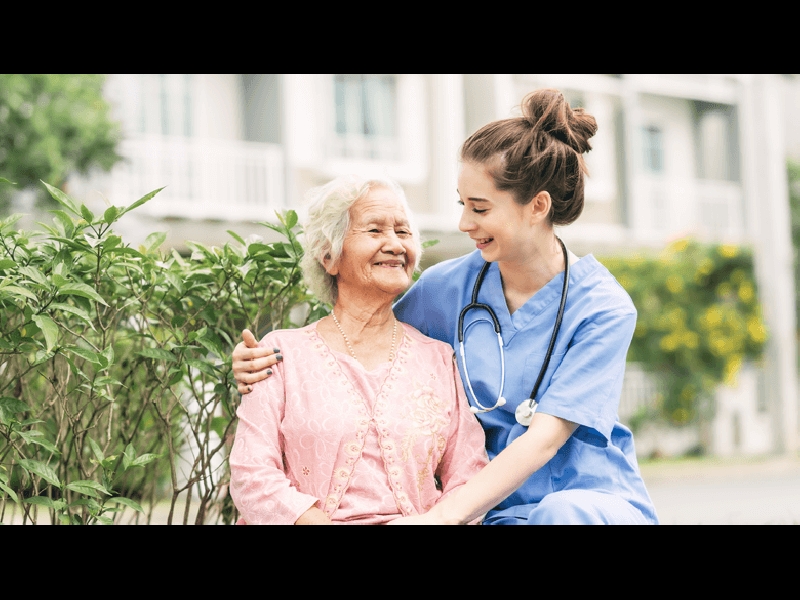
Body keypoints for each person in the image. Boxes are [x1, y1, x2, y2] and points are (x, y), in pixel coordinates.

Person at [233, 89, 658, 525]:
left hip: (579, 503)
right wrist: (265, 360)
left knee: (561, 514)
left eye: (479, 208)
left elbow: (545, 440)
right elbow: (361, 335)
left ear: (538, 206)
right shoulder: (447, 288)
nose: (463, 224)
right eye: (462, 205)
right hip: (492, 509)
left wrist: (438, 518)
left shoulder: (602, 308)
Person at [228, 175, 489, 525]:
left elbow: (470, 475)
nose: (395, 244)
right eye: (375, 230)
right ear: (330, 257)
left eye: (403, 231)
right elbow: (251, 475)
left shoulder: (439, 359)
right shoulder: (280, 354)